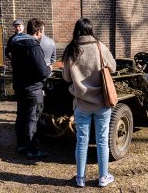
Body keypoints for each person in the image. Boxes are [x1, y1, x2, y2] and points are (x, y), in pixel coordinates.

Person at [62, 18, 116, 188]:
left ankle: (80, 178)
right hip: (102, 103)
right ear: (91, 30)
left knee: (81, 141)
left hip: (81, 104)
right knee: (102, 140)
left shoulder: (71, 50)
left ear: (76, 31)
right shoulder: (100, 47)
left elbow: (66, 77)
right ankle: (103, 177)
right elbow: (113, 67)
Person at [11, 18, 52, 159]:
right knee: (32, 118)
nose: (42, 35)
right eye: (43, 32)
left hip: (19, 85)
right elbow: (42, 71)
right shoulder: (33, 46)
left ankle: (21, 145)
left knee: (21, 116)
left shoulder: (15, 42)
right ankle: (32, 150)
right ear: (39, 31)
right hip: (33, 88)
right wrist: (50, 68)